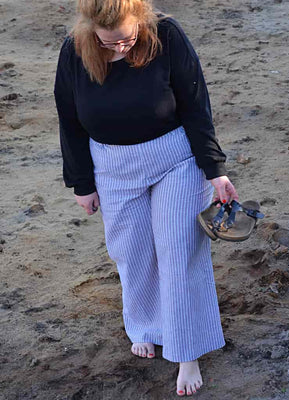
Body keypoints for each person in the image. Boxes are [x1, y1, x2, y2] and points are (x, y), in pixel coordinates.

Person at [54, 0, 239, 396]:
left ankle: (187, 350)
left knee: (177, 247)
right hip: (112, 166)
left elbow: (195, 105)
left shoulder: (167, 34)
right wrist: (81, 183)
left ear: (139, 19)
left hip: (174, 158)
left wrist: (215, 169)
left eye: (127, 39)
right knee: (131, 250)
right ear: (91, 31)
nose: (120, 49)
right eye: (109, 43)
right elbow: (68, 119)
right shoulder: (74, 48)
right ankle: (147, 325)